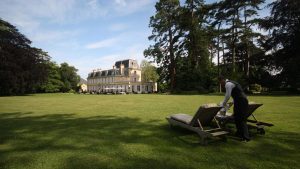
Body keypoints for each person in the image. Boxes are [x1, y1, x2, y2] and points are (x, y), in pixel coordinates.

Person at [219, 76, 250, 142]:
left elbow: (228, 95)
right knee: (236, 117)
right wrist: (232, 102)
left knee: (241, 119)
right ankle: (239, 134)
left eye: (220, 83)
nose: (221, 85)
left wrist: (223, 104)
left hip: (241, 101)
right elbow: (237, 93)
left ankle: (246, 138)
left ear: (223, 80)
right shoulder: (231, 83)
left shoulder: (228, 84)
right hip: (239, 101)